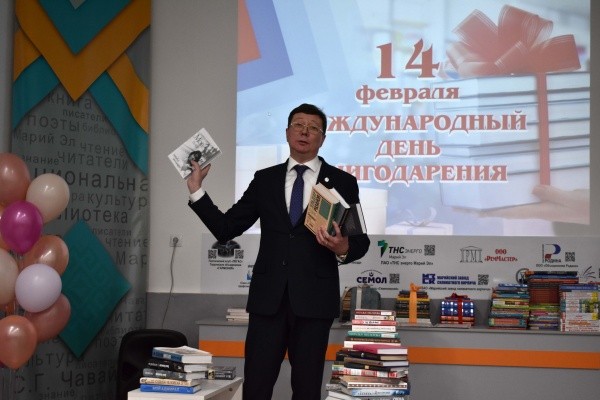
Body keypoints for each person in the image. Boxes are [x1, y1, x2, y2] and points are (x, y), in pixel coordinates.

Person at [186, 103, 370, 399]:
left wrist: (343, 246)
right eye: (298, 125)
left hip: (314, 302)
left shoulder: (342, 182)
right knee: (256, 387)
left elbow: (360, 242)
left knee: (307, 390)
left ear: (323, 138)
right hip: (268, 301)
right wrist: (196, 189)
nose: (305, 131)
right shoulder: (265, 179)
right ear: (286, 132)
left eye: (313, 127)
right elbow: (226, 228)